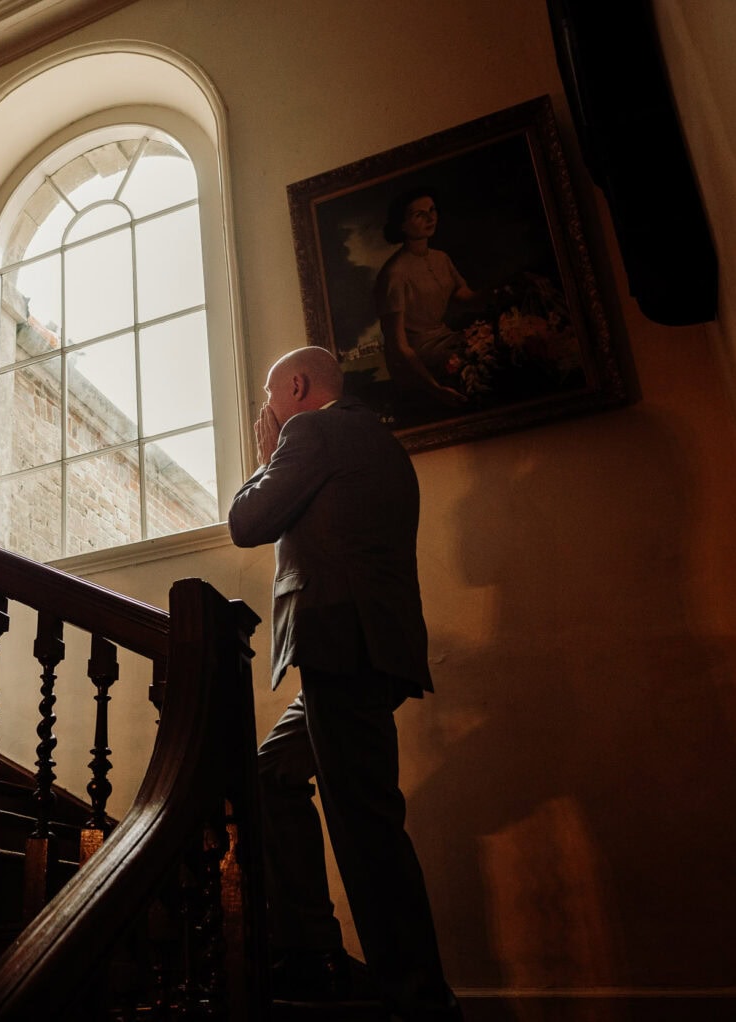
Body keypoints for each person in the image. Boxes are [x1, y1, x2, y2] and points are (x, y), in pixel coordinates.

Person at [227, 345, 460, 1020]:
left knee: (366, 831)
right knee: (273, 778)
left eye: (270, 396)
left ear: (296, 385)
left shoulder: (313, 429)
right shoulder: (377, 439)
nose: (266, 412)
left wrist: (267, 458)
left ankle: (418, 999)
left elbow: (247, 523)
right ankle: (313, 953)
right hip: (368, 646)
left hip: (340, 643)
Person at [373, 187, 480, 410]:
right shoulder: (394, 274)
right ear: (402, 224)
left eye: (432, 210)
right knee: (477, 363)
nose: (431, 218)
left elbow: (463, 294)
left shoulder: (441, 258)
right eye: (419, 214)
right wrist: (435, 389)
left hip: (445, 338)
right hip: (416, 356)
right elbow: (398, 345)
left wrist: (504, 291)